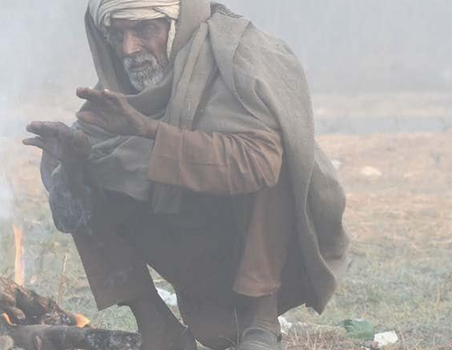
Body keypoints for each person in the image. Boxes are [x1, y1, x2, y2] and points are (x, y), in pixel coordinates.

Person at [23, 1, 349, 349]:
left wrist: (151, 132)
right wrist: (72, 165)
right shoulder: (114, 90)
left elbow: (262, 162)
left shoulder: (240, 56)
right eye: (117, 35)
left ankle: (262, 321)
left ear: (178, 24)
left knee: (274, 154)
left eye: (144, 30)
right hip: (185, 247)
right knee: (75, 165)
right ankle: (156, 325)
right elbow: (70, 214)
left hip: (253, 245)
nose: (128, 49)